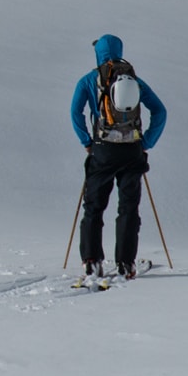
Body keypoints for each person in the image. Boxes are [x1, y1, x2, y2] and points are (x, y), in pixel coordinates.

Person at [70, 33, 166, 280]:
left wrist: (87, 143)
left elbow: (75, 112)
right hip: (132, 151)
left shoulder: (89, 80)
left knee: (94, 207)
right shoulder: (135, 81)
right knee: (128, 208)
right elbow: (160, 111)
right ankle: (126, 263)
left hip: (102, 149)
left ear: (98, 53)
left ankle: (91, 261)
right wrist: (146, 142)